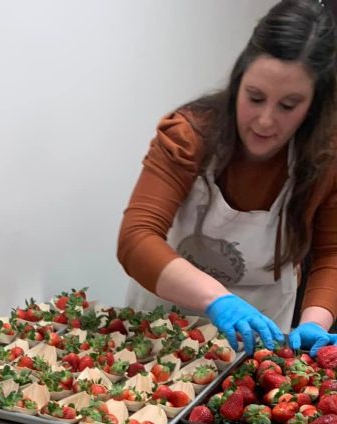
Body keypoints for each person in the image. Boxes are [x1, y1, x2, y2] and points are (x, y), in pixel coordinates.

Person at [118, 0, 337, 354]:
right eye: (255, 97)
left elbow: (331, 254)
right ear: (239, 81)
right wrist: (218, 299)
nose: (265, 121)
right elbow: (136, 238)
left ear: (313, 106)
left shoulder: (326, 159)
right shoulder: (189, 135)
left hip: (262, 337)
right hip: (162, 325)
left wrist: (315, 321)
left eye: (288, 105)